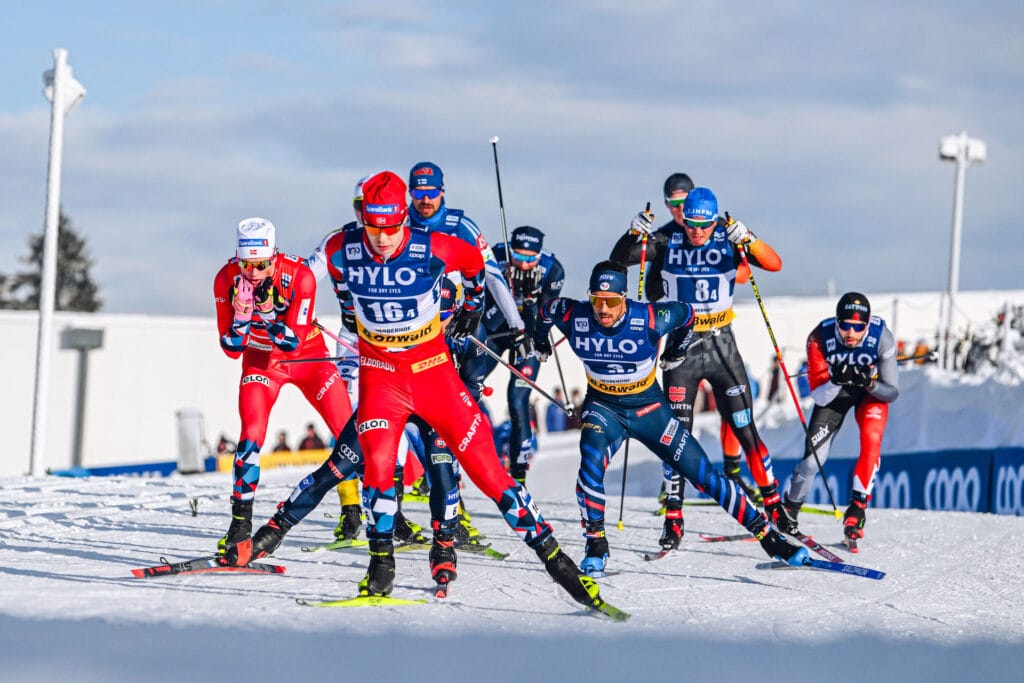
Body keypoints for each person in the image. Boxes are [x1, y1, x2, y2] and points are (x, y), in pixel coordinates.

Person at [314, 170, 612, 609]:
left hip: (437, 371)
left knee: (488, 465)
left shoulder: (443, 240)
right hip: (385, 377)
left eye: (390, 227)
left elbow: (481, 269)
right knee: (379, 466)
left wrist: (483, 312)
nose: (382, 238)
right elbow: (308, 276)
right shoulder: (345, 246)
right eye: (373, 226)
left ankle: (558, 564)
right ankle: (382, 566)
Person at [533, 260, 806, 575]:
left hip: (649, 410)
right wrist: (540, 341)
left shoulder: (650, 317)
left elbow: (687, 314)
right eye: (596, 299)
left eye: (611, 301)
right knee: (589, 469)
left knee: (704, 476)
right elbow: (546, 310)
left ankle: (769, 537)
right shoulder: (574, 315)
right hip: (604, 409)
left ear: (624, 298)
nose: (603, 309)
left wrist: (676, 350)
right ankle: (596, 545)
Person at [610, 182, 793, 549]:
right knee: (676, 438)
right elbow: (619, 261)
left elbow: (775, 264)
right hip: (683, 350)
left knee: (745, 427)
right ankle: (674, 516)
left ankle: (774, 505)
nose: (696, 231)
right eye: (691, 223)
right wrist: (632, 233)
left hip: (722, 345)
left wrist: (749, 239)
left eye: (704, 225)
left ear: (715, 221)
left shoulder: (728, 238)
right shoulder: (668, 240)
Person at [212, 217, 353, 553]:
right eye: (246, 264)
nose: (253, 273)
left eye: (261, 265)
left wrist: (268, 315)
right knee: (251, 435)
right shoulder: (226, 278)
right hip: (262, 362)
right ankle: (240, 524)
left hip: (308, 359)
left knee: (348, 430)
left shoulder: (299, 275)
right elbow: (230, 349)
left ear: (274, 257)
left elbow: (292, 343)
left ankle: (353, 511)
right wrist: (242, 319)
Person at [779, 293, 899, 551]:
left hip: (870, 395)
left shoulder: (882, 337)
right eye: (845, 325)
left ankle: (857, 510)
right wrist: (836, 380)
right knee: (812, 461)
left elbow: (892, 392)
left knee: (871, 437)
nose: (851, 333)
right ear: (836, 322)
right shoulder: (819, 338)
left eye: (858, 327)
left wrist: (869, 383)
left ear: (868, 324)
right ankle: (789, 509)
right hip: (832, 395)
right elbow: (818, 396)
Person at [463, 224, 563, 483]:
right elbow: (484, 313)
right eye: (518, 256)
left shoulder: (553, 270)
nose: (524, 264)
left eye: (531, 259)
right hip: (496, 332)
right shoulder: (496, 256)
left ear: (540, 255)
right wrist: (506, 295)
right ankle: (453, 464)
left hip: (527, 339)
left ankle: (519, 475)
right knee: (466, 390)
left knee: (518, 401)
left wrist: (529, 301)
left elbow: (542, 323)